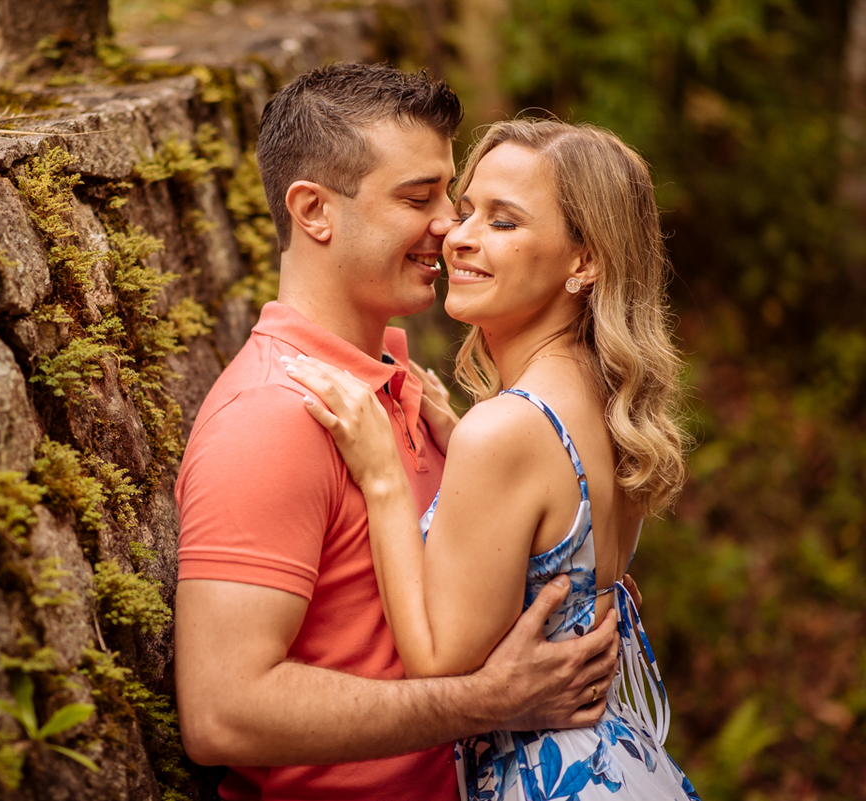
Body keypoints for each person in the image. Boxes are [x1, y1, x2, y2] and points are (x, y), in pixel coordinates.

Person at [173, 64, 623, 801]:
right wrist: (486, 700)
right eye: (419, 197)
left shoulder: (410, 389)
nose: (451, 223)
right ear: (314, 211)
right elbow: (222, 715)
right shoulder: (271, 416)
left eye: (450, 192)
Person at [284, 118, 700, 799]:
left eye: (503, 222)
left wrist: (384, 475)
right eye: (467, 208)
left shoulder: (505, 430)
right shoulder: (602, 395)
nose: (459, 236)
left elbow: (438, 661)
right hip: (622, 762)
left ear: (583, 261)